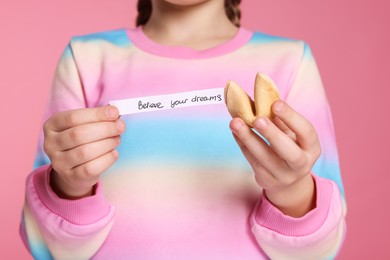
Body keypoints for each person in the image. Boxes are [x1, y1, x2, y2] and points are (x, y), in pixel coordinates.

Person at [20, 0, 346, 259]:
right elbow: (47, 245)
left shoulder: (290, 61)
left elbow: (322, 248)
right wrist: (71, 185)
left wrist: (292, 191)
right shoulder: (85, 59)